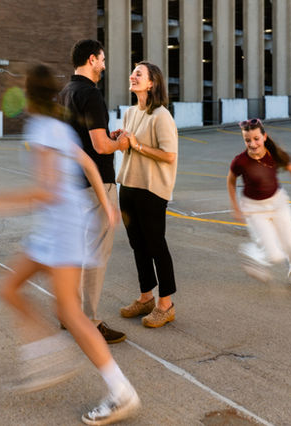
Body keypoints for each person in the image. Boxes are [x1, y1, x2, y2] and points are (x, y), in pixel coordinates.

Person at [0, 64, 140, 426]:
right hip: (61, 225)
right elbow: (89, 164)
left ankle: (120, 391)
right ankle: (47, 356)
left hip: (61, 228)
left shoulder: (43, 128)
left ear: (28, 95)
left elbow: (45, 190)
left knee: (70, 314)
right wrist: (105, 204)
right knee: (10, 289)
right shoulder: (59, 128)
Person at [59, 39, 130, 343]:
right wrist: (121, 143)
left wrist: (105, 137)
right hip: (95, 184)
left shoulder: (64, 93)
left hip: (70, 184)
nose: (103, 65)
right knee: (96, 253)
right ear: (91, 59)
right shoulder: (90, 94)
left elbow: (82, 140)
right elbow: (100, 146)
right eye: (102, 60)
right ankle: (89, 320)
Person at [116, 61, 179, 328]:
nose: (133, 75)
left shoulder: (161, 115)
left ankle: (166, 305)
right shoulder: (130, 113)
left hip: (152, 190)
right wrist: (120, 140)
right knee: (137, 245)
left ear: (152, 83)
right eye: (132, 72)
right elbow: (128, 148)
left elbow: (169, 155)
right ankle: (146, 298)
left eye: (139, 73)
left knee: (156, 246)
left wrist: (137, 145)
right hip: (129, 186)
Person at [226, 118, 291, 294]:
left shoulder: (275, 154)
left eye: (256, 138)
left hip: (278, 203)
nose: (253, 143)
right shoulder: (240, 161)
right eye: (247, 140)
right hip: (254, 208)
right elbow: (230, 181)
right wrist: (235, 206)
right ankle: (253, 251)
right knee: (274, 256)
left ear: (264, 137)